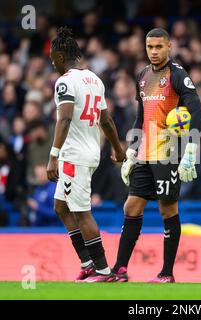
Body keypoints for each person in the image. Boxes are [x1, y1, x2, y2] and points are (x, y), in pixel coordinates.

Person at [113, 28, 201, 283]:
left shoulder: (177, 75)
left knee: (167, 210)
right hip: (144, 153)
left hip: (168, 152)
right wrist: (131, 152)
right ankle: (119, 269)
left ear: (169, 47)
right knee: (131, 206)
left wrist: (190, 151)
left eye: (158, 47)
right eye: (150, 47)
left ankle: (166, 273)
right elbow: (142, 117)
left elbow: (198, 114)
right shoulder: (142, 76)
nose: (154, 52)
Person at [47, 27, 125, 282]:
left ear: (60, 57)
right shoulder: (94, 79)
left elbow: (65, 118)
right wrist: (117, 148)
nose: (51, 62)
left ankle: (103, 270)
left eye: (52, 57)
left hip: (74, 156)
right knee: (61, 206)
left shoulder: (65, 81)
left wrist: (53, 155)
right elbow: (107, 120)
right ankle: (88, 262)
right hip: (90, 151)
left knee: (81, 211)